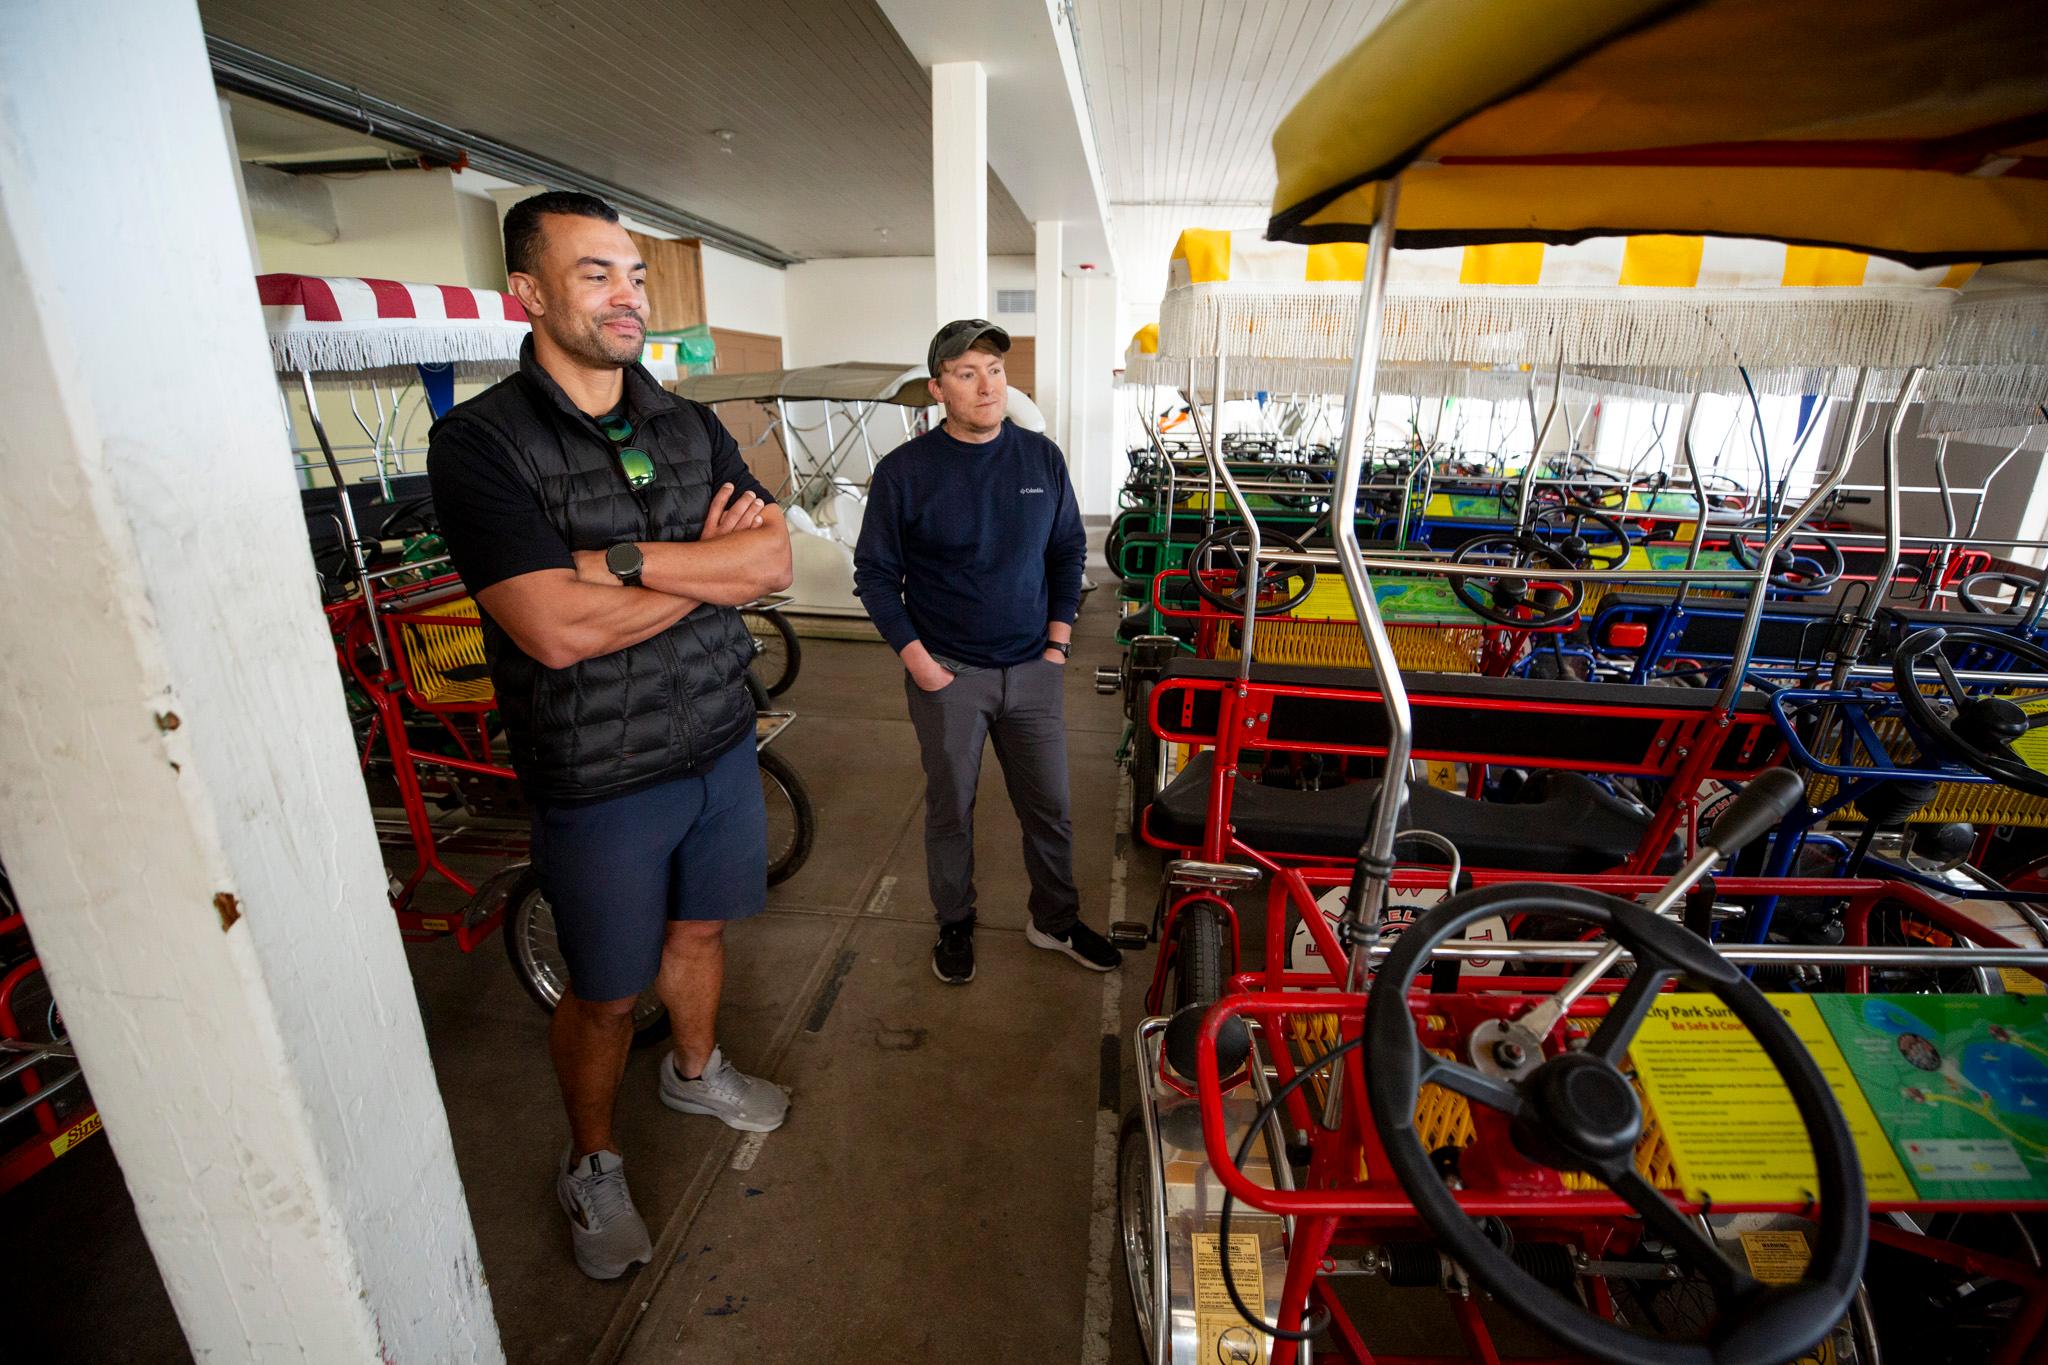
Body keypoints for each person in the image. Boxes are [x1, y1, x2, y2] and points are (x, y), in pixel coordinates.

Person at [427, 191, 793, 1281]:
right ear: (529, 294)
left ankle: (693, 1069)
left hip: (718, 737)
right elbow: (548, 630)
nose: (625, 294)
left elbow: (771, 562)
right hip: (596, 771)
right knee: (602, 987)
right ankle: (591, 1159)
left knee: (702, 934)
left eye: (632, 274)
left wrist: (622, 562)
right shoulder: (480, 442)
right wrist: (700, 571)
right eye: (594, 273)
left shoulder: (681, 420)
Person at [852, 319, 1121, 985]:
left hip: (1033, 669)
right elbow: (876, 576)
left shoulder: (1040, 458)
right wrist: (921, 663)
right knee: (952, 809)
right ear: (939, 387)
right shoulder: (904, 473)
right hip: (950, 673)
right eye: (967, 372)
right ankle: (955, 921)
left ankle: (1053, 919)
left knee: (1050, 807)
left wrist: (1058, 643)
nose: (986, 384)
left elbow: (1066, 552)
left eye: (994, 369)